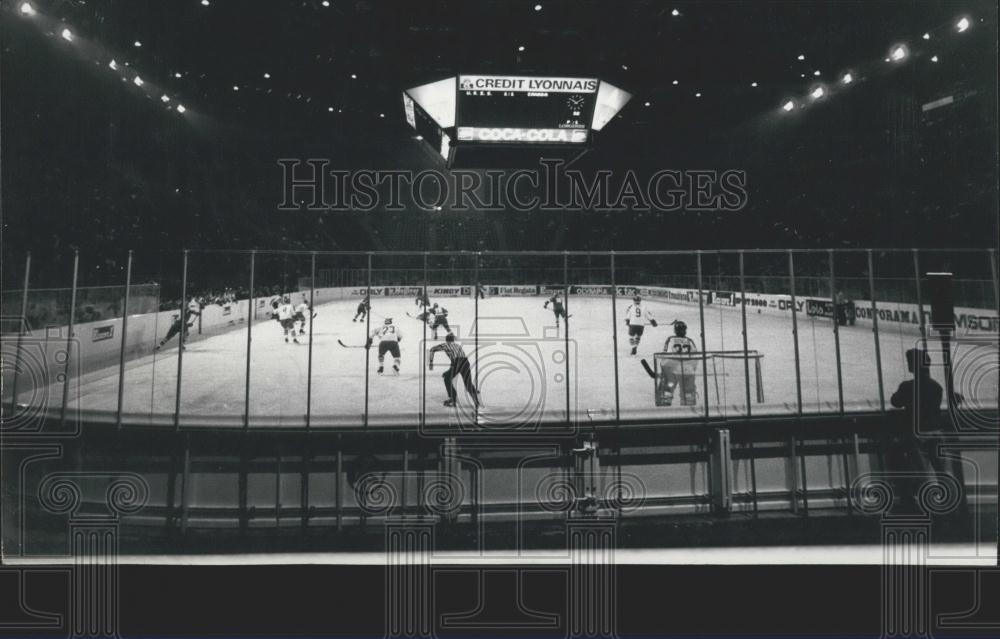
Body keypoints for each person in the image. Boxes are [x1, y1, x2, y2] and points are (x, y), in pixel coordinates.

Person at [429, 333, 480, 407]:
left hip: (457, 362)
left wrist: (431, 362)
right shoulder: (458, 346)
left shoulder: (445, 345)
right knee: (468, 383)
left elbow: (432, 349)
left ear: (446, 340)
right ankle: (476, 400)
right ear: (453, 340)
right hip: (465, 362)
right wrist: (449, 372)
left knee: (447, 379)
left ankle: (452, 399)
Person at [659, 321, 698, 406]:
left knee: (669, 386)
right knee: (688, 391)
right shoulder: (690, 340)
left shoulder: (670, 339)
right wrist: (692, 369)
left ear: (675, 330)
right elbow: (695, 356)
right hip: (687, 369)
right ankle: (689, 407)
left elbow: (665, 354)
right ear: (685, 330)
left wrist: (664, 369)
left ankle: (665, 405)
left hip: (672, 369)